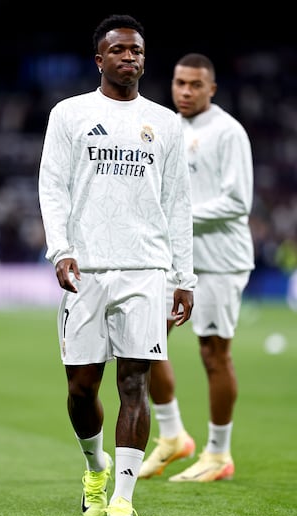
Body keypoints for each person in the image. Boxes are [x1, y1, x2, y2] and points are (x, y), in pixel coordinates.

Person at [38, 15, 197, 516]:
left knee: (136, 383)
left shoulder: (166, 123)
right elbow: (52, 186)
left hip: (146, 268)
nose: (131, 58)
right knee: (82, 390)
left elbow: (178, 204)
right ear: (99, 60)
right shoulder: (70, 114)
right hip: (86, 269)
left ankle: (123, 500)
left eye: (137, 51)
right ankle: (94, 468)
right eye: (120, 50)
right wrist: (60, 249)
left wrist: (184, 277)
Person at [139, 53, 255, 482]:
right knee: (145, 344)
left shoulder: (228, 132)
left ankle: (219, 454)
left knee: (213, 354)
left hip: (220, 260)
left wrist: (177, 214)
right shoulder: (166, 126)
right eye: (179, 83)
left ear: (211, 89)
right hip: (174, 260)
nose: (185, 91)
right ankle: (172, 438)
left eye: (195, 85)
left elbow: (238, 202)